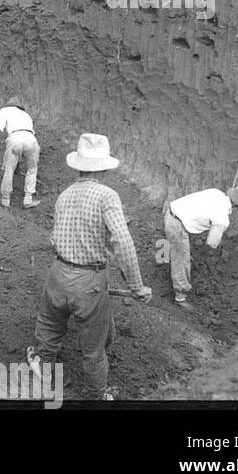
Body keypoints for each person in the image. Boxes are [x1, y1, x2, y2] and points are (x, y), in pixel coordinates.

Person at [27, 134, 152, 400]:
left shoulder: (65, 195)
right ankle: (98, 395)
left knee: (49, 327)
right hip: (88, 282)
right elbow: (124, 243)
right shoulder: (107, 195)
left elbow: (56, 237)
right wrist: (136, 286)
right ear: (105, 167)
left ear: (78, 165)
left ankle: (42, 371)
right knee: (94, 348)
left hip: (57, 274)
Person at [163, 184, 238, 307]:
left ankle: (167, 259)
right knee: (182, 260)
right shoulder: (222, 218)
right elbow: (211, 244)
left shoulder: (216, 193)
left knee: (180, 252)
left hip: (171, 210)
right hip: (176, 226)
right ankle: (180, 297)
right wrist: (200, 257)